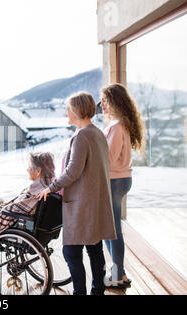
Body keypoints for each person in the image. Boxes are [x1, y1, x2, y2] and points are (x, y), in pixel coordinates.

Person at [38, 91, 116, 295]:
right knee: (94, 248)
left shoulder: (81, 136)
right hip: (95, 200)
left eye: (68, 110)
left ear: (77, 110)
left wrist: (50, 187)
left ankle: (80, 292)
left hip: (82, 204)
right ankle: (97, 290)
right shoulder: (97, 133)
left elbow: (73, 171)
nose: (66, 115)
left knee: (71, 251)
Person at [100, 83, 146, 288]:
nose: (101, 104)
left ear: (114, 102)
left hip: (114, 181)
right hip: (121, 179)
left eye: (104, 100)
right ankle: (120, 274)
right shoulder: (122, 124)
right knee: (110, 229)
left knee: (112, 230)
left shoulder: (117, 127)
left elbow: (107, 159)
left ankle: (117, 275)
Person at [0, 152, 56, 264]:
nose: (27, 169)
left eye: (30, 167)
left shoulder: (35, 190)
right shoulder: (51, 185)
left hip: (21, 225)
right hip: (39, 228)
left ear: (38, 171)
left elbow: (14, 209)